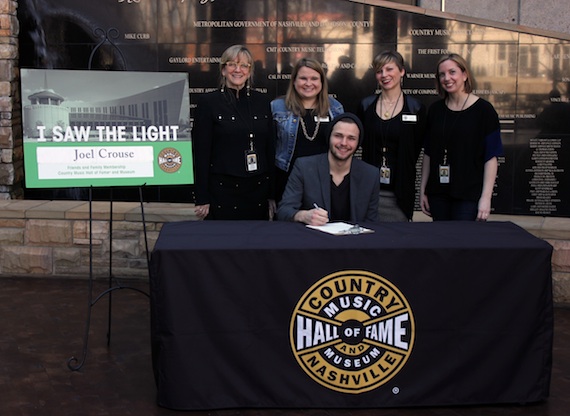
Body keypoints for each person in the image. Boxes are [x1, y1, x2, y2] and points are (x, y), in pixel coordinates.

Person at [192, 45, 275, 220]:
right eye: (232, 64)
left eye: (244, 65)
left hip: (257, 191)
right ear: (223, 70)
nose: (238, 70)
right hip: (221, 191)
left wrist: (272, 194)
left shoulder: (263, 102)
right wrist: (202, 197)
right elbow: (200, 152)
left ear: (250, 71)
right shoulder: (208, 102)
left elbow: (270, 149)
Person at [420, 53, 503, 221]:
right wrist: (423, 190)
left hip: (468, 196)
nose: (447, 78)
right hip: (438, 194)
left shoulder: (484, 111)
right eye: (442, 74)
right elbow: (428, 153)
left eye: (452, 72)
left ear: (464, 75)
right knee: (440, 242)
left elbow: (491, 157)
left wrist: (486, 198)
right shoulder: (435, 110)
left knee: (461, 243)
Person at [358, 50, 426, 221]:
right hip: (369, 190)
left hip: (401, 191)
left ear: (402, 71)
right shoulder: (365, 106)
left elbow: (416, 148)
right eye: (379, 71)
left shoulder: (415, 108)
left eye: (389, 69)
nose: (384, 75)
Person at [277, 113, 380, 225]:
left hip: (354, 240)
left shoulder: (370, 174)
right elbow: (283, 211)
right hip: (313, 239)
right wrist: (303, 216)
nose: (343, 143)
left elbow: (372, 222)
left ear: (358, 142)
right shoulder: (304, 167)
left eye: (351, 138)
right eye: (338, 136)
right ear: (329, 136)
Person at [271, 57, 344, 202]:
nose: (308, 83)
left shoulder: (335, 108)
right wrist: (270, 194)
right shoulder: (277, 107)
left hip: (325, 183)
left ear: (322, 82)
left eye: (314, 78)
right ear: (294, 81)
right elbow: (269, 149)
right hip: (287, 182)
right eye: (303, 78)